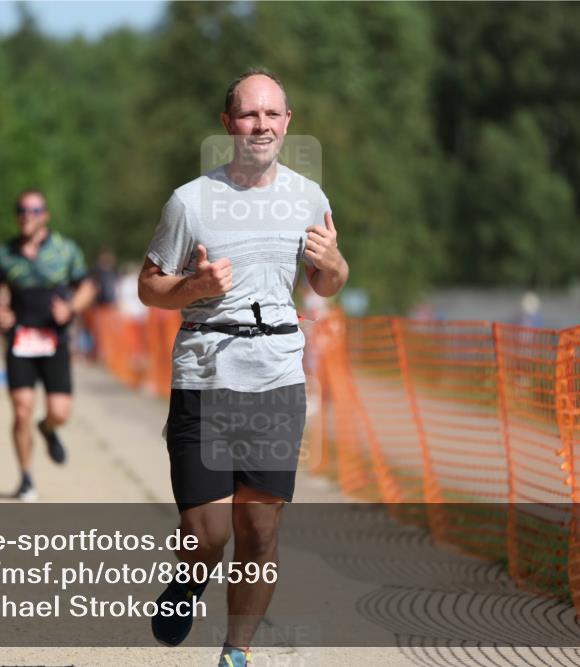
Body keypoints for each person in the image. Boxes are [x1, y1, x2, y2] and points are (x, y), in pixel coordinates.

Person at [138, 69, 349, 666]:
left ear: (288, 123)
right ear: (228, 123)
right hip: (205, 378)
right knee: (208, 538)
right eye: (249, 115)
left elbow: (328, 282)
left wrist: (334, 264)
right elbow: (150, 288)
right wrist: (194, 285)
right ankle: (188, 582)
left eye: (272, 115)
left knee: (259, 534)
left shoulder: (308, 197)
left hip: (277, 379)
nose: (262, 125)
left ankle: (236, 652)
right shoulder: (190, 201)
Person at [0, 190, 96, 502]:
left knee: (59, 412)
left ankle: (47, 429)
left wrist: (71, 308)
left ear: (45, 215)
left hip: (54, 340)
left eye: (34, 210)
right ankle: (26, 478)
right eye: (21, 210)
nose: (27, 215)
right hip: (20, 339)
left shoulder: (64, 249)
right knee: (21, 411)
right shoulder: (4, 254)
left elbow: (86, 285)